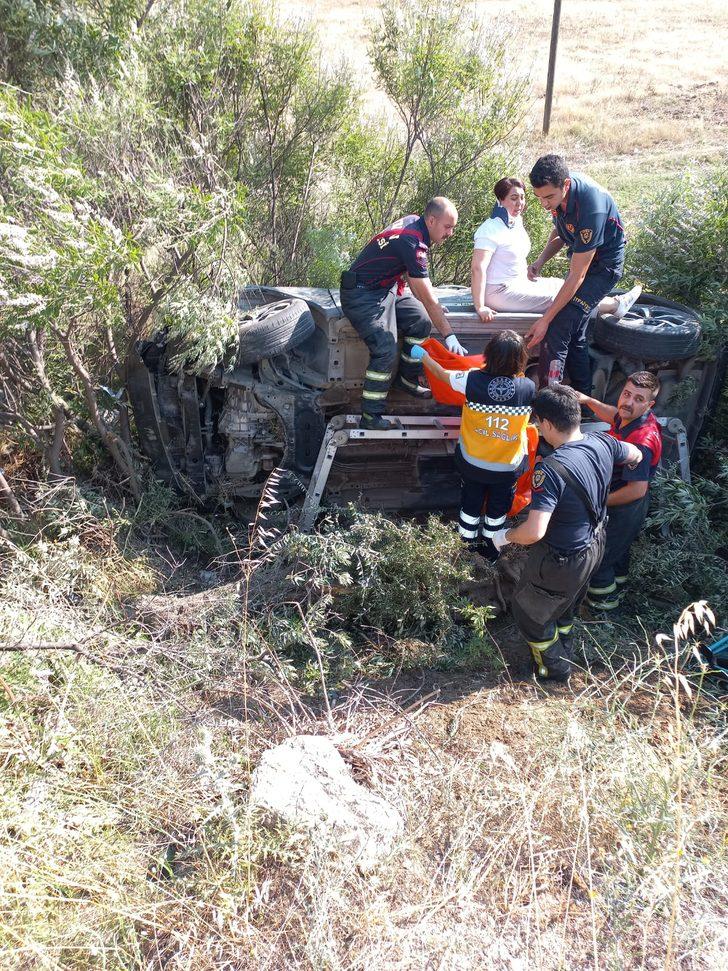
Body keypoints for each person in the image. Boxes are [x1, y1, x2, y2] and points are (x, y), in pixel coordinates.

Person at [491, 385, 642, 682]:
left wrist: (504, 537)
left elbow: (534, 531)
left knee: (528, 611)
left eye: (538, 423)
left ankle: (553, 669)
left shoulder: (551, 470)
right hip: (595, 544)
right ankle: (565, 645)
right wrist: (634, 464)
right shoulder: (604, 442)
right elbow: (635, 453)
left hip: (562, 557)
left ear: (547, 423)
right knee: (567, 601)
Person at [340, 198, 467, 431]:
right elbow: (426, 294)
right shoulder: (412, 241)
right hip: (362, 295)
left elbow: (414, 280)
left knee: (421, 320)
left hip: (385, 288)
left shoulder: (412, 222)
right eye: (448, 227)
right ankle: (371, 415)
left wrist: (433, 306)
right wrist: (449, 335)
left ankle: (407, 378)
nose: (451, 233)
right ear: (431, 220)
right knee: (385, 348)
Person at [411, 331, 534, 558]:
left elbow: (441, 373)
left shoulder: (470, 379)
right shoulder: (528, 388)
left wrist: (424, 356)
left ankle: (466, 550)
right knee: (498, 511)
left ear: (489, 355)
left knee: (470, 505)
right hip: (507, 469)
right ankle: (491, 550)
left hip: (473, 464)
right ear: (521, 360)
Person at [525, 155, 642, 393]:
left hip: (603, 269)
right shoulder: (557, 195)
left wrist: (544, 320)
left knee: (558, 326)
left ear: (565, 185)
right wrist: (540, 260)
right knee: (576, 331)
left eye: (549, 197)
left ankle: (550, 400)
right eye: (539, 198)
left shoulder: (591, 208)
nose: (544, 204)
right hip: (582, 258)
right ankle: (583, 397)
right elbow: (560, 230)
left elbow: (577, 276)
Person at [471, 176, 642, 321]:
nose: (519, 204)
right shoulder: (489, 230)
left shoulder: (515, 223)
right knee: (558, 299)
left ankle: (604, 308)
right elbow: (478, 268)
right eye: (513, 198)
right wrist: (480, 307)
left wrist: (534, 266)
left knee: (560, 285)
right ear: (501, 200)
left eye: (522, 198)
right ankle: (616, 305)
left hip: (518, 283)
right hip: (497, 292)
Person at [574, 372, 662, 611]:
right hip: (623, 500)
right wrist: (587, 400)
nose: (628, 402)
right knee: (618, 551)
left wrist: (599, 501)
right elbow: (614, 414)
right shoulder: (632, 418)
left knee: (601, 557)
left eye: (638, 399)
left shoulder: (641, 441)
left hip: (625, 505)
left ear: (649, 405)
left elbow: (636, 489)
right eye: (626, 394)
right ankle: (619, 589)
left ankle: (603, 610)